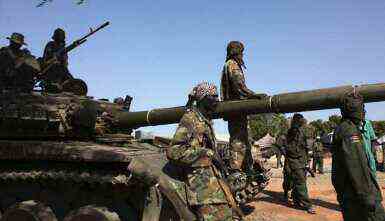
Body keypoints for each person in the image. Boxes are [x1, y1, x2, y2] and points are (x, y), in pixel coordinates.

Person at [167, 82, 242, 221]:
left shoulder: (204, 120)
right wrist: (208, 153)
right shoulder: (190, 118)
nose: (217, 100)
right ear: (203, 98)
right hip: (203, 190)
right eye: (213, 96)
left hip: (214, 187)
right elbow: (174, 151)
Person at [332, 92, 385, 221]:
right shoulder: (349, 132)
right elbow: (356, 166)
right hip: (357, 197)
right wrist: (368, 197)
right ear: (355, 111)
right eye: (362, 109)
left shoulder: (344, 128)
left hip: (351, 194)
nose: (364, 112)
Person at [220, 41, 267, 174]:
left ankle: (246, 171)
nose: (242, 55)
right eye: (241, 52)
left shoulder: (230, 64)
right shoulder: (232, 64)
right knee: (238, 142)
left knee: (244, 141)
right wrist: (254, 96)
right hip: (236, 109)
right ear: (236, 52)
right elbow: (239, 86)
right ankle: (236, 172)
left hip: (238, 110)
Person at [284, 113, 315, 214]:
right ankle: (307, 205)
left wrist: (308, 161)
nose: (303, 121)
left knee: (299, 182)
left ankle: (296, 200)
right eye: (300, 120)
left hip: (302, 161)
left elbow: (307, 147)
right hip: (294, 162)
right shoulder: (293, 131)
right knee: (301, 183)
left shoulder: (303, 132)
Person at [41, 28, 74, 93]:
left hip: (61, 69)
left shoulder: (63, 48)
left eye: (62, 36)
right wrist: (55, 57)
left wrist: (63, 62)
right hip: (49, 68)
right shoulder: (50, 44)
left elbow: (65, 62)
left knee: (71, 81)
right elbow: (46, 58)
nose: (61, 38)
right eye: (59, 36)